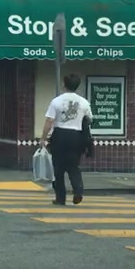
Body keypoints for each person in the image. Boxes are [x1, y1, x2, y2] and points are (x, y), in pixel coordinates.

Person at [40, 73, 93, 206]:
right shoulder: (84, 102)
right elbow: (89, 119)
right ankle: (78, 191)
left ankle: (60, 198)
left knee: (58, 168)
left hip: (60, 135)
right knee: (73, 166)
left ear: (64, 85)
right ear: (77, 86)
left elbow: (49, 121)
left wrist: (43, 138)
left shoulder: (56, 101)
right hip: (76, 136)